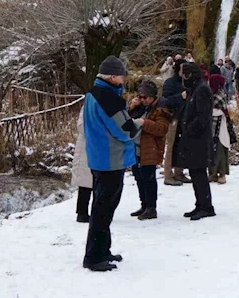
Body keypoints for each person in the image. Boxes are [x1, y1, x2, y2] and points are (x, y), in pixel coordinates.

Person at [82, 56, 138, 272]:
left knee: (102, 207)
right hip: (109, 161)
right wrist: (138, 124)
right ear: (113, 76)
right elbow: (125, 130)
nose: (124, 79)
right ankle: (94, 257)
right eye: (122, 75)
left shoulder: (94, 93)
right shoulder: (107, 98)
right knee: (103, 210)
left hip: (99, 158)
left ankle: (103, 250)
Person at [173, 63, 216, 221]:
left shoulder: (202, 89)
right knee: (195, 172)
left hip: (198, 139)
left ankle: (206, 206)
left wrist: (189, 128)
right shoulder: (195, 89)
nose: (183, 77)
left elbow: (203, 116)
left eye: (186, 74)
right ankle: (200, 203)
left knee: (199, 173)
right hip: (192, 139)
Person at [128, 80, 172, 221]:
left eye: (145, 97)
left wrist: (144, 123)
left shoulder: (161, 109)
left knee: (149, 178)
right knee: (139, 177)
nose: (142, 100)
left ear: (152, 97)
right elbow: (125, 121)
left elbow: (162, 129)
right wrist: (131, 107)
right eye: (140, 97)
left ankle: (151, 208)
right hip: (136, 147)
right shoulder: (140, 107)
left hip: (150, 147)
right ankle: (144, 205)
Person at [161, 59, 190, 186]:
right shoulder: (169, 83)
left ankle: (179, 172)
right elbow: (165, 101)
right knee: (171, 146)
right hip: (173, 118)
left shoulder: (187, 83)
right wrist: (180, 97)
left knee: (182, 145)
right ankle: (168, 174)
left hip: (185, 118)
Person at [208, 75, 231, 184]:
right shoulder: (209, 93)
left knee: (220, 150)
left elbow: (222, 109)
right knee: (211, 150)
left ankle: (222, 173)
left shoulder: (220, 95)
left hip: (220, 126)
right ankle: (212, 173)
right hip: (210, 126)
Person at [71, 107, 92, 223]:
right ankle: (82, 213)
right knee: (85, 184)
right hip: (85, 148)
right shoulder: (87, 107)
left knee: (98, 183)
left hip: (95, 148)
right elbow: (81, 126)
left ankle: (96, 211)